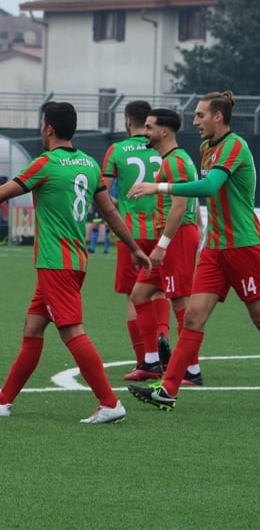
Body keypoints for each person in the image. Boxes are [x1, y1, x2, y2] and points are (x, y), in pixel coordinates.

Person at [0, 101, 151, 423]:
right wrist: (133, 246)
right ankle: (3, 401)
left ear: (48, 128)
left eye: (41, 123)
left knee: (71, 331)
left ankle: (109, 402)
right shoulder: (89, 164)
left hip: (56, 263)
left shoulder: (46, 164)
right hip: (75, 260)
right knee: (33, 327)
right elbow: (109, 211)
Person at [128, 91, 260, 411]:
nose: (194, 121)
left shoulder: (235, 146)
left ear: (218, 117)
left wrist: (159, 187)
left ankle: (170, 385)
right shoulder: (205, 148)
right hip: (214, 250)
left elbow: (208, 187)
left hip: (244, 247)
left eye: (200, 115)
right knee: (193, 318)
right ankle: (168, 390)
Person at [126, 108, 203, 384]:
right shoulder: (171, 159)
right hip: (173, 237)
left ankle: (191, 370)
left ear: (164, 131)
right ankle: (150, 362)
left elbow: (181, 205)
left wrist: (162, 245)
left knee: (180, 301)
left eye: (148, 127)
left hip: (177, 238)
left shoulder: (176, 161)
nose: (144, 132)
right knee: (139, 294)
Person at [102, 100, 170, 377]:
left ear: (128, 120)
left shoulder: (117, 151)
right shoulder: (165, 150)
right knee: (161, 290)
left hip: (131, 234)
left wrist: (118, 205)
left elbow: (102, 192)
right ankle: (163, 334)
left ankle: (145, 360)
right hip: (162, 231)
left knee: (134, 297)